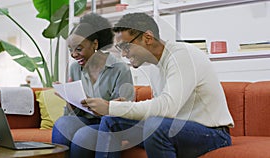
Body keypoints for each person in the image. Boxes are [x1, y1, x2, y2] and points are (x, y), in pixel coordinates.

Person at [81, 13, 234, 158]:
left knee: (154, 126)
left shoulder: (182, 56)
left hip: (212, 133)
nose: (124, 55)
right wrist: (121, 108)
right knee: (111, 120)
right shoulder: (155, 67)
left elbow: (167, 108)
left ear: (147, 37)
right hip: (173, 128)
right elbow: (159, 112)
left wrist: (110, 106)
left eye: (126, 47)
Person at [51, 13, 134, 157]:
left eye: (79, 49)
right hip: (85, 120)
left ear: (95, 44)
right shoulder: (75, 68)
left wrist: (96, 104)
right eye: (71, 50)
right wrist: (69, 98)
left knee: (82, 137)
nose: (74, 55)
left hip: (107, 125)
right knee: (62, 124)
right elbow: (73, 115)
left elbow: (123, 112)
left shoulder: (120, 69)